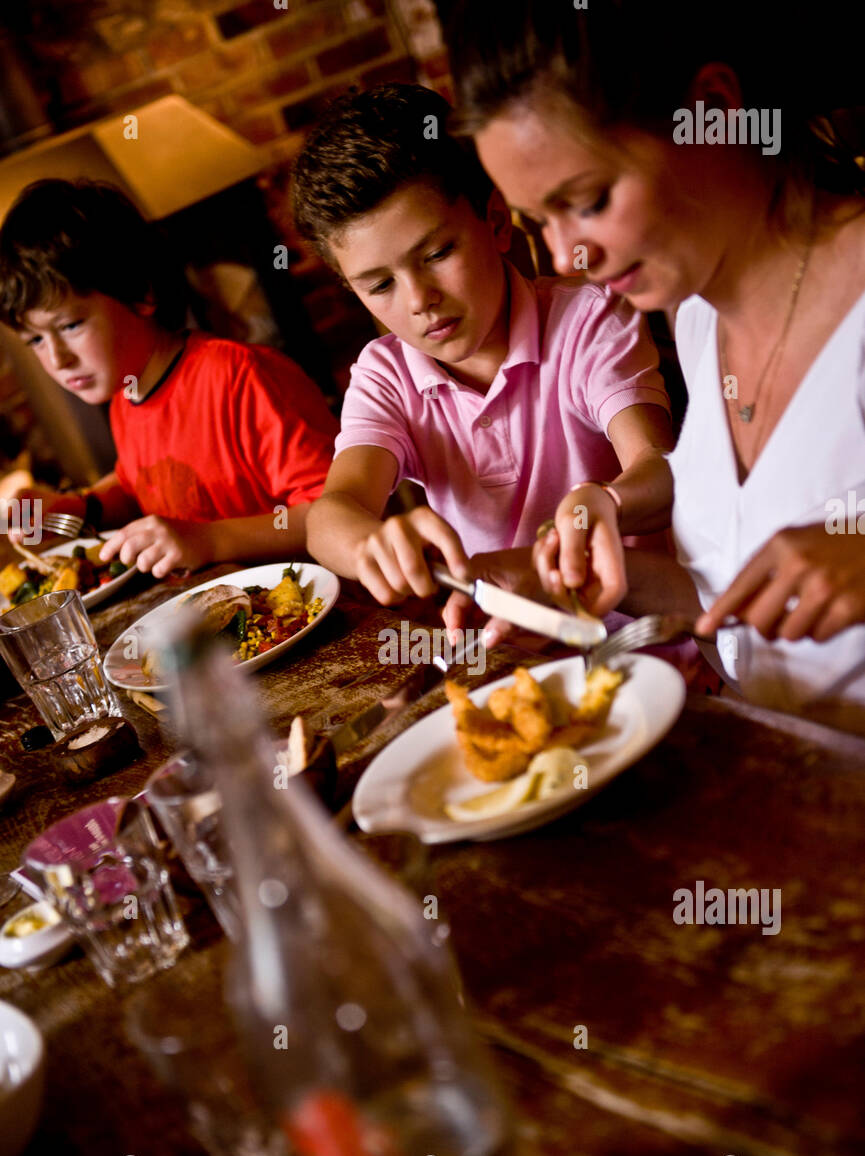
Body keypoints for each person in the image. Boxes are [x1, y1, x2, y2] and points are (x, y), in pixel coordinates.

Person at [445, 0, 865, 729]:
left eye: (587, 200)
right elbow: (733, 600)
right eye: (537, 220)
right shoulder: (696, 315)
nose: (566, 257)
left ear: (712, 109)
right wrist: (556, 583)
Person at [294, 84, 674, 638]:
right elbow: (330, 517)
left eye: (437, 254)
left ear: (496, 221)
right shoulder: (386, 375)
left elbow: (659, 467)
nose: (419, 299)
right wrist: (370, 543)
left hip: (649, 646)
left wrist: (606, 502)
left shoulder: (588, 320)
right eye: (379, 284)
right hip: (512, 664)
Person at [0, 179, 337, 578]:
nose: (57, 359)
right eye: (35, 339)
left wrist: (209, 540)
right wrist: (72, 508)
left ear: (141, 292)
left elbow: (334, 515)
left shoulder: (242, 378)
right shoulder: (128, 396)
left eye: (71, 325)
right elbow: (140, 487)